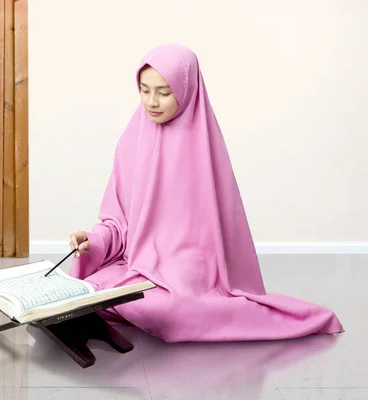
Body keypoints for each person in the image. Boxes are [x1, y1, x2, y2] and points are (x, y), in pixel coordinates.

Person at [68, 43, 344, 343]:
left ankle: (164, 311)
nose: (152, 101)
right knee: (89, 289)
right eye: (144, 90)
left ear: (188, 90)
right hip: (137, 265)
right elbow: (118, 223)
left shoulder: (203, 148)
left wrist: (174, 269)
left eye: (164, 91)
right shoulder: (130, 142)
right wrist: (93, 241)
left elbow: (211, 243)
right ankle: (133, 306)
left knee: (171, 309)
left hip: (190, 271)